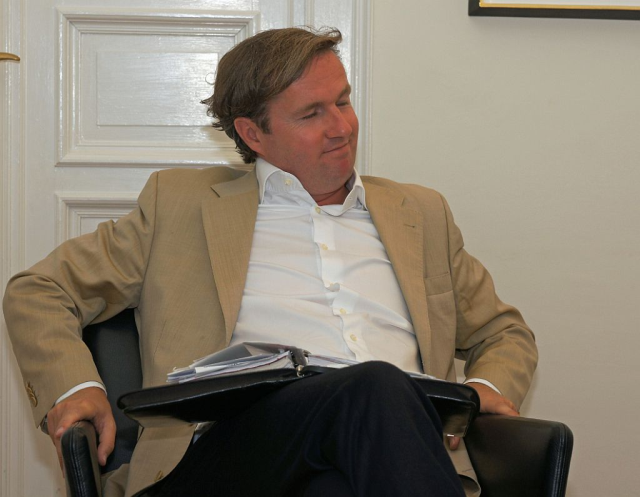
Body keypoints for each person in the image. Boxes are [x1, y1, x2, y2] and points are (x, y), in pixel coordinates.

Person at [3, 27, 537, 497]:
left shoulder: (419, 213)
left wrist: (486, 389)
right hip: (230, 457)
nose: (342, 127)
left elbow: (503, 331)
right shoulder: (180, 206)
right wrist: (74, 387)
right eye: (312, 113)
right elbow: (40, 289)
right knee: (373, 384)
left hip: (384, 456)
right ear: (253, 134)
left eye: (343, 101)